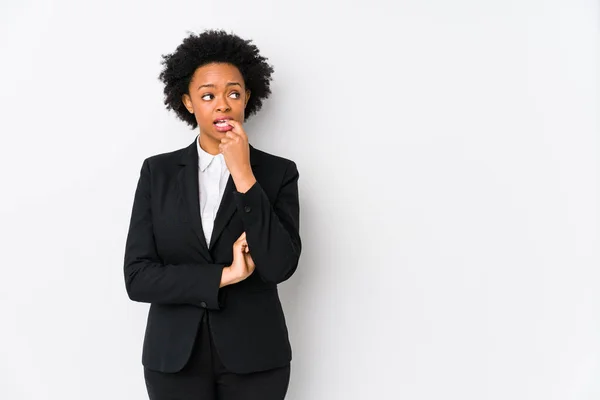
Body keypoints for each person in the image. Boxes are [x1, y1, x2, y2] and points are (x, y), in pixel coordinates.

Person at [123, 29, 301, 400]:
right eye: (208, 95)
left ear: (248, 98)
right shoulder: (157, 173)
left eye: (233, 93)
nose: (222, 104)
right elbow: (138, 277)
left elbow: (280, 266)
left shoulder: (278, 173)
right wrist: (223, 275)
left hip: (256, 358)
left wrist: (243, 174)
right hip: (174, 358)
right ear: (188, 101)